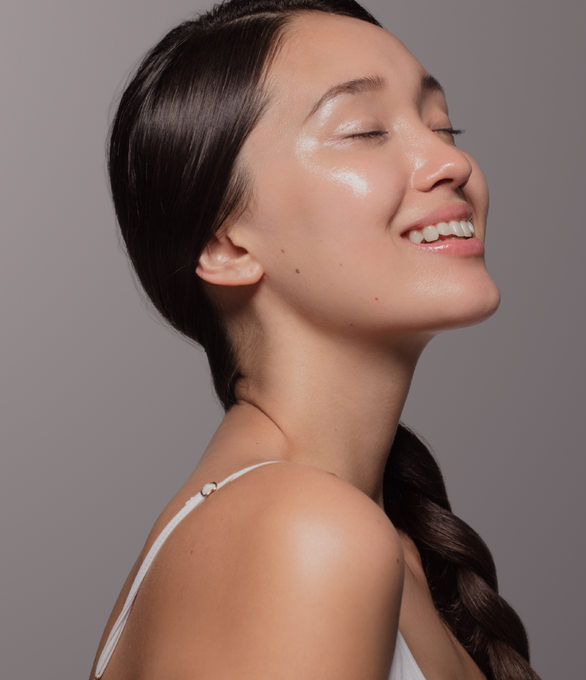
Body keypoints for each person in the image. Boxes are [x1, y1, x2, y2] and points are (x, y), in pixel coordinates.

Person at [91, 1, 541, 678]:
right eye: (364, 131)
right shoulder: (300, 534)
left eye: (444, 124)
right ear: (225, 243)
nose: (447, 160)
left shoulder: (368, 539)